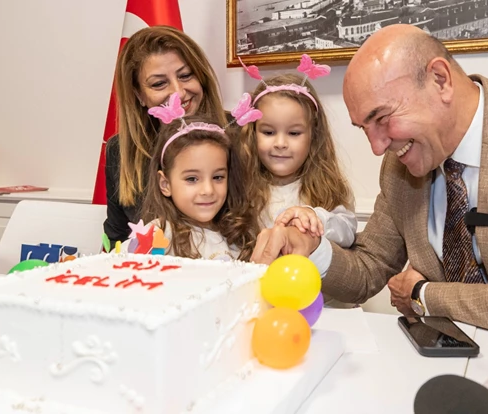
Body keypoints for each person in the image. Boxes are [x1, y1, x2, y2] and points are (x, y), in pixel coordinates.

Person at [250, 24, 488, 334]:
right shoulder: (401, 166)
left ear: (440, 79)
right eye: (364, 128)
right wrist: (309, 248)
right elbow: (368, 270)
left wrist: (423, 294)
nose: (377, 147)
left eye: (382, 118)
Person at [104, 26, 228, 246]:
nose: (178, 92)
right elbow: (117, 240)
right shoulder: (120, 151)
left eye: (186, 75)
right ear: (139, 95)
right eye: (159, 84)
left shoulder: (241, 132)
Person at [127, 94, 259, 261]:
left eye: (218, 177)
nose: (208, 190)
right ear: (165, 184)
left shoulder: (240, 232)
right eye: (192, 179)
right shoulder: (155, 236)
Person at [241, 71, 357, 248]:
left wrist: (315, 218)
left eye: (294, 133)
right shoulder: (243, 188)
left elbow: (347, 231)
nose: (280, 143)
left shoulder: (328, 188)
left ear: (313, 135)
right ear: (253, 133)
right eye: (269, 132)